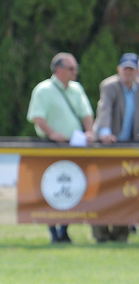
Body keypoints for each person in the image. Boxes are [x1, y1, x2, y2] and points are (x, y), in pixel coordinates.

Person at [27, 52, 95, 244]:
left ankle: (64, 229)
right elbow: (37, 117)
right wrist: (51, 133)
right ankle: (53, 232)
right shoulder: (43, 90)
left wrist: (89, 132)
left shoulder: (77, 89)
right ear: (58, 69)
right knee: (51, 188)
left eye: (76, 68)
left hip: (73, 146)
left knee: (73, 187)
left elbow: (86, 113)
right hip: (50, 147)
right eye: (71, 68)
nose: (75, 72)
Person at [91, 52, 138, 243]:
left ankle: (121, 234)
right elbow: (105, 109)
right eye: (125, 69)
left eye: (132, 69)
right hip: (107, 147)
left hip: (128, 150)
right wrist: (104, 132)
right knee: (102, 191)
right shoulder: (109, 86)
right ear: (119, 70)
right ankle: (101, 235)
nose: (128, 72)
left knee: (125, 193)